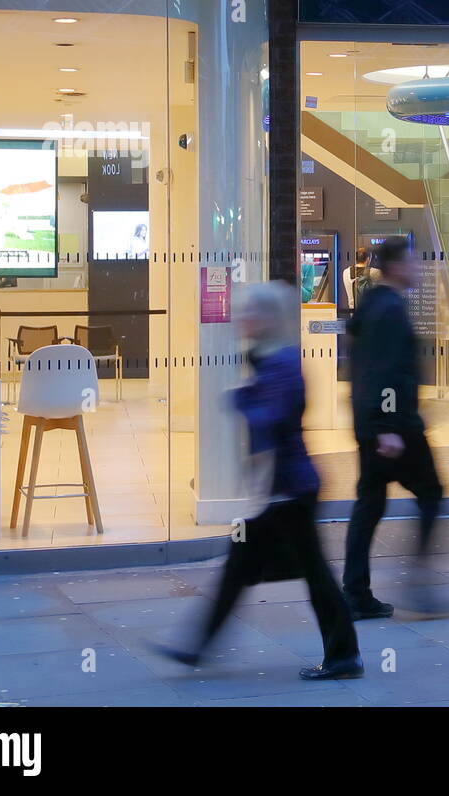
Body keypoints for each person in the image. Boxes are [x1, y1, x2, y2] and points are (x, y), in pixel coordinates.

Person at [156, 281, 363, 680]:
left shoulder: (281, 364)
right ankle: (197, 647)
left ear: (268, 318)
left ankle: (343, 655)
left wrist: (242, 398)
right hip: (285, 490)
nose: (244, 317)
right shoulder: (271, 359)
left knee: (303, 574)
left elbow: (270, 420)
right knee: (253, 569)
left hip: (290, 492)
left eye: (252, 312)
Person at [342, 236, 444, 618]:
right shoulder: (389, 310)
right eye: (412, 262)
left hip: (375, 426)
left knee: (369, 504)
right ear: (397, 266)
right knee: (431, 492)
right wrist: (387, 427)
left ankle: (356, 594)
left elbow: (362, 368)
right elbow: (381, 371)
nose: (417, 268)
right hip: (394, 429)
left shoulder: (372, 303)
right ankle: (417, 581)